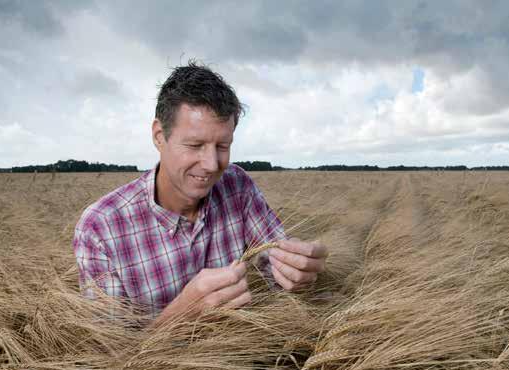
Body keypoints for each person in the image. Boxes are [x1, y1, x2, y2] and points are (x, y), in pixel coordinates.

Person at [73, 62, 328, 324]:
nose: (212, 164)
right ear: (159, 136)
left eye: (222, 146)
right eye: (195, 145)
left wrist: (295, 268)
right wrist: (180, 316)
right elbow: (112, 358)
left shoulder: (237, 186)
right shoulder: (100, 227)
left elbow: (274, 265)